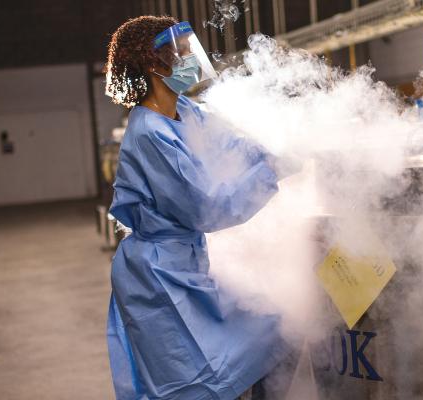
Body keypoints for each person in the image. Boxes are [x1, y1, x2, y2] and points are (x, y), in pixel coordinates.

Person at [104, 16, 290, 399]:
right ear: (155, 64)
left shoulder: (185, 111)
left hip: (183, 263)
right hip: (156, 276)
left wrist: (282, 151)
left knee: (259, 343)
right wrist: (272, 173)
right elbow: (206, 209)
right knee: (187, 384)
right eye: (182, 51)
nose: (190, 58)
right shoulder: (149, 134)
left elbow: (232, 146)